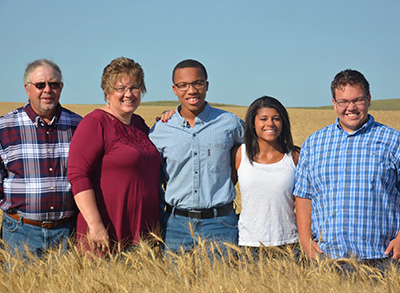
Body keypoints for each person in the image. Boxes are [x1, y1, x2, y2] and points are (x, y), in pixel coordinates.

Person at [294, 69, 400, 268]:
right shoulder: (314, 143)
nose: (351, 107)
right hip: (326, 257)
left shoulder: (394, 141)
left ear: (368, 99)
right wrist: (306, 241)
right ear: (334, 103)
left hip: (382, 257)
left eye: (357, 100)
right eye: (343, 101)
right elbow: (303, 197)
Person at [149, 59, 244, 254]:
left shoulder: (230, 123)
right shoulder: (161, 129)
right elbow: (152, 176)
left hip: (221, 224)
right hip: (176, 226)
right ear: (174, 89)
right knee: (175, 284)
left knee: (222, 283)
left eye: (197, 83)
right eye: (183, 85)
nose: (191, 91)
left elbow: (258, 152)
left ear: (207, 85)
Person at [67, 57, 160, 256]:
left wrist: (172, 117)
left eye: (134, 87)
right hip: (108, 233)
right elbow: (78, 175)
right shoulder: (95, 123)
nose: (129, 94)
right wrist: (95, 225)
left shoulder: (139, 124)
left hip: (144, 235)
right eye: (121, 88)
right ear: (107, 92)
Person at [0, 59, 82, 259]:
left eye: (54, 85)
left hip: (67, 232)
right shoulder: (5, 126)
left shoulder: (79, 125)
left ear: (61, 88)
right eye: (40, 85)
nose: (47, 90)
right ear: (28, 89)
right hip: (19, 232)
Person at [233, 96, 300, 254]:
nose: (270, 124)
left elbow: (306, 201)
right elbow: (223, 193)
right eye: (263, 119)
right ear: (253, 122)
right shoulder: (239, 154)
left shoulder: (295, 156)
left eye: (276, 119)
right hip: (248, 244)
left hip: (289, 243)